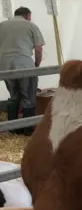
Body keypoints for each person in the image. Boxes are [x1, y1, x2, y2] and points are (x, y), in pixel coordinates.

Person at [0, 7, 45, 135]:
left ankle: (14, 128)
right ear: (26, 15)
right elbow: (38, 49)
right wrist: (36, 65)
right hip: (24, 64)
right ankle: (27, 129)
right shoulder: (30, 26)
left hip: (5, 66)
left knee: (14, 96)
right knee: (28, 97)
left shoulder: (2, 25)